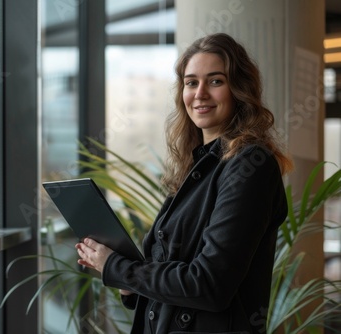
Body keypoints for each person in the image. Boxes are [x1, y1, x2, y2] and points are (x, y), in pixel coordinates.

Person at [75, 32, 293, 333]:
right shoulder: (196, 166)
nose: (200, 93)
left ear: (239, 90)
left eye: (215, 81)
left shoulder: (250, 166)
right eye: (191, 82)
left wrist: (119, 268)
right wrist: (128, 283)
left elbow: (208, 285)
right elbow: (171, 271)